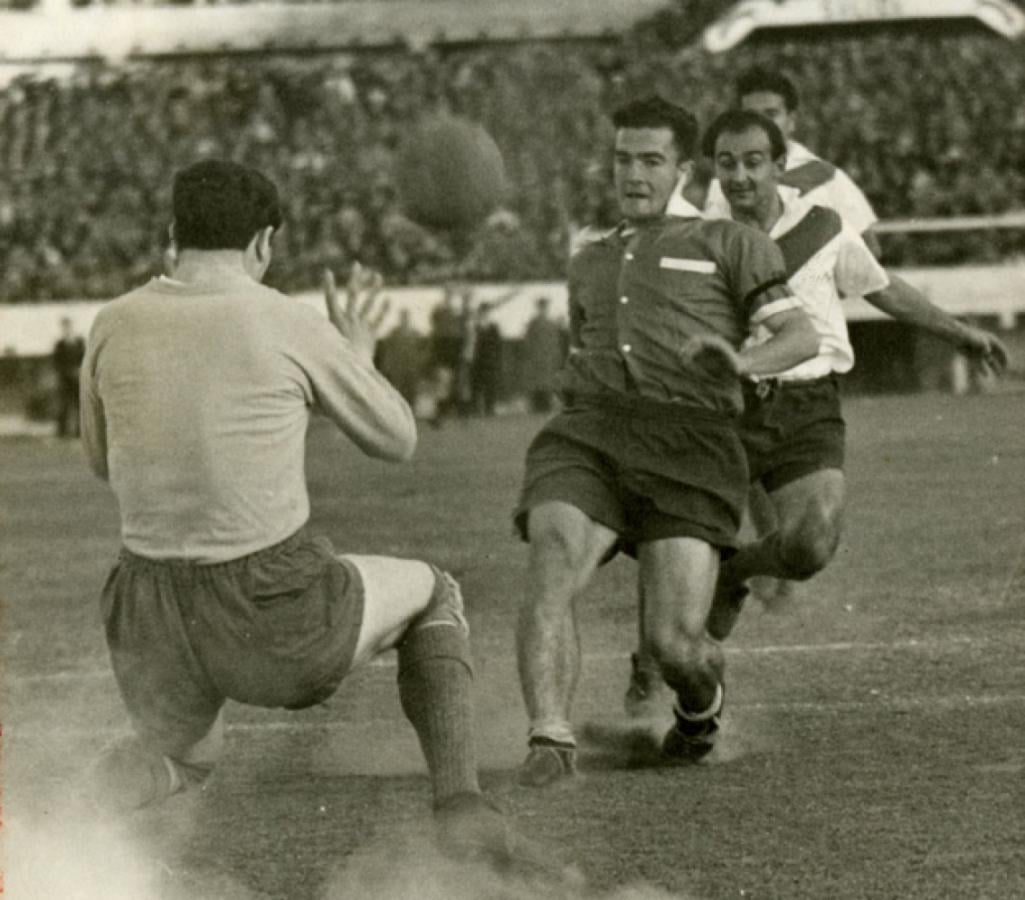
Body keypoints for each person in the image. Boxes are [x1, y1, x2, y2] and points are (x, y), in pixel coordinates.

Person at [79, 160, 571, 880]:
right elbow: (396, 437)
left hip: (145, 607)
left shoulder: (111, 322)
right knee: (434, 590)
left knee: (183, 757)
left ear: (173, 232)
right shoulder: (284, 318)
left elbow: (101, 462)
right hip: (269, 612)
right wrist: (354, 355)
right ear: (264, 244)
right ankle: (461, 810)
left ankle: (53, 821)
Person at [624, 111, 1011, 716]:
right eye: (727, 164)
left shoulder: (822, 227)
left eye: (754, 161)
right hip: (721, 410)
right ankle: (652, 681)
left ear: (781, 165)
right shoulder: (698, 235)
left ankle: (736, 574)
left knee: (810, 544)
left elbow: (882, 288)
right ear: (712, 171)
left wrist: (959, 333)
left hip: (806, 405)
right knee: (676, 551)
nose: (741, 175)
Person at [513, 96, 820, 787]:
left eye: (650, 160)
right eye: (622, 159)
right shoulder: (588, 257)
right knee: (551, 560)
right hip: (590, 434)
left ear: (683, 168)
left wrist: (741, 365)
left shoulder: (730, 242)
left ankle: (698, 708)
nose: (632, 173)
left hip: (690, 442)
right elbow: (581, 341)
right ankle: (550, 740)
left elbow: (800, 336)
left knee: (673, 645)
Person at [521, 297, 566, 414]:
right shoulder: (533, 324)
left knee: (547, 384)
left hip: (548, 359)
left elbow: (556, 342)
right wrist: (530, 356)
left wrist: (556, 356)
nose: (543, 310)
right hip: (536, 359)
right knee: (537, 384)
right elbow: (528, 342)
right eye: (541, 307)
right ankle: (536, 406)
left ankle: (546, 406)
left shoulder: (552, 324)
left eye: (544, 307)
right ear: (538, 308)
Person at [53, 316, 85, 438]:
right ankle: (62, 431)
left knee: (79, 404)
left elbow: (84, 358)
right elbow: (57, 362)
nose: (67, 329)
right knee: (64, 404)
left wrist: (79, 371)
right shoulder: (60, 345)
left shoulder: (79, 342)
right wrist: (65, 372)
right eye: (64, 327)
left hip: (77, 378)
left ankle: (79, 431)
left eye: (68, 326)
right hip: (65, 378)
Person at [470, 302, 503, 417]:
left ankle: (490, 409)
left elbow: (498, 345)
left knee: (490, 385)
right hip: (477, 361)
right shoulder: (475, 327)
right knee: (476, 386)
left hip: (490, 361)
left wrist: (496, 360)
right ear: (479, 313)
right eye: (482, 312)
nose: (484, 314)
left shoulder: (494, 327)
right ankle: (476, 409)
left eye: (487, 312)